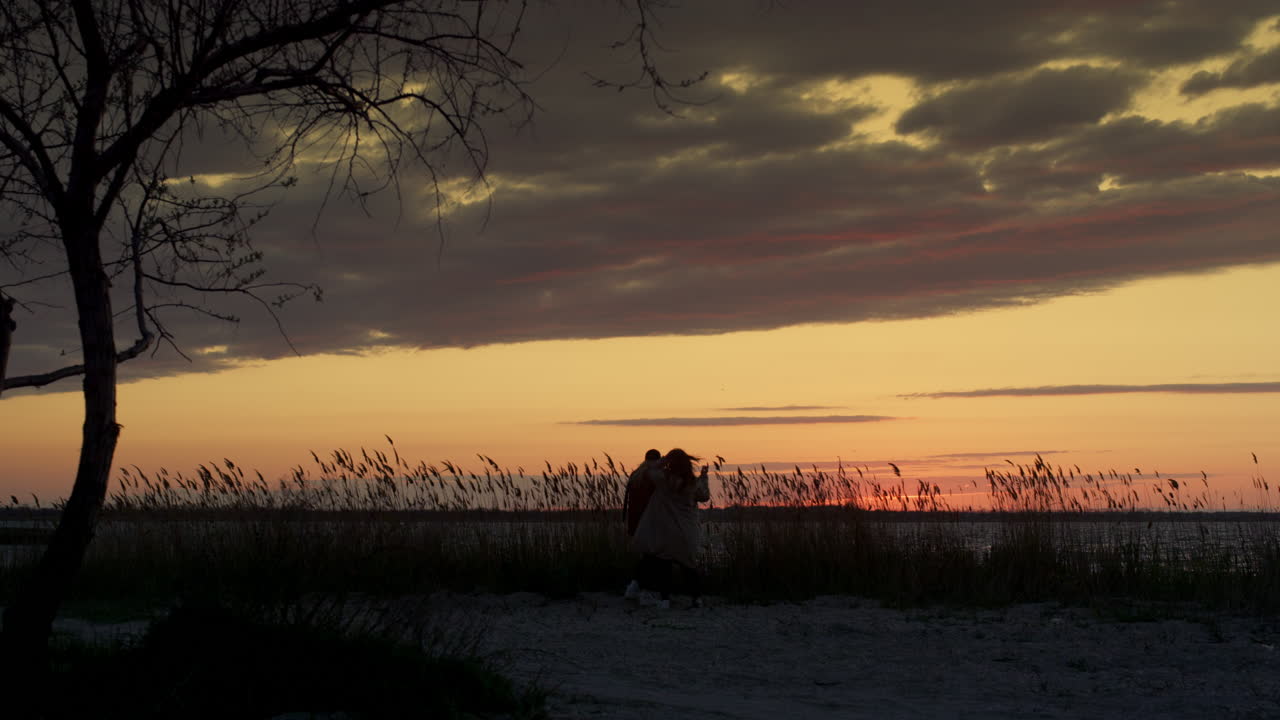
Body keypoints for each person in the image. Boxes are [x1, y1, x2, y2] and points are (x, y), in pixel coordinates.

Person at [631, 448, 711, 608]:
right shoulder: (692, 484)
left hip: (668, 533)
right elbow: (705, 496)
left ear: (670, 463)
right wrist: (704, 477)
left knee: (664, 564)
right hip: (688, 533)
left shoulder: (663, 480)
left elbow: (647, 470)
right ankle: (697, 599)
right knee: (688, 566)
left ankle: (665, 600)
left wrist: (663, 460)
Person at [623, 449, 663, 600]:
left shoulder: (636, 474)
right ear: (658, 460)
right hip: (648, 521)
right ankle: (645, 591)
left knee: (645, 556)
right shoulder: (651, 476)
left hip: (635, 522)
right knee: (652, 557)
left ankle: (634, 587)